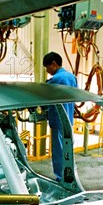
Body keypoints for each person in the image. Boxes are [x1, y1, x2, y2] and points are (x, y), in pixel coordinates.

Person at [42, 51, 78, 181]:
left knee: (59, 151)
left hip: (58, 120)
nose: (47, 70)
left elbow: (42, 95)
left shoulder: (55, 80)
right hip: (69, 120)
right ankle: (70, 174)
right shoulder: (72, 77)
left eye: (47, 67)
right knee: (68, 149)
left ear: (54, 64)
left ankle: (60, 177)